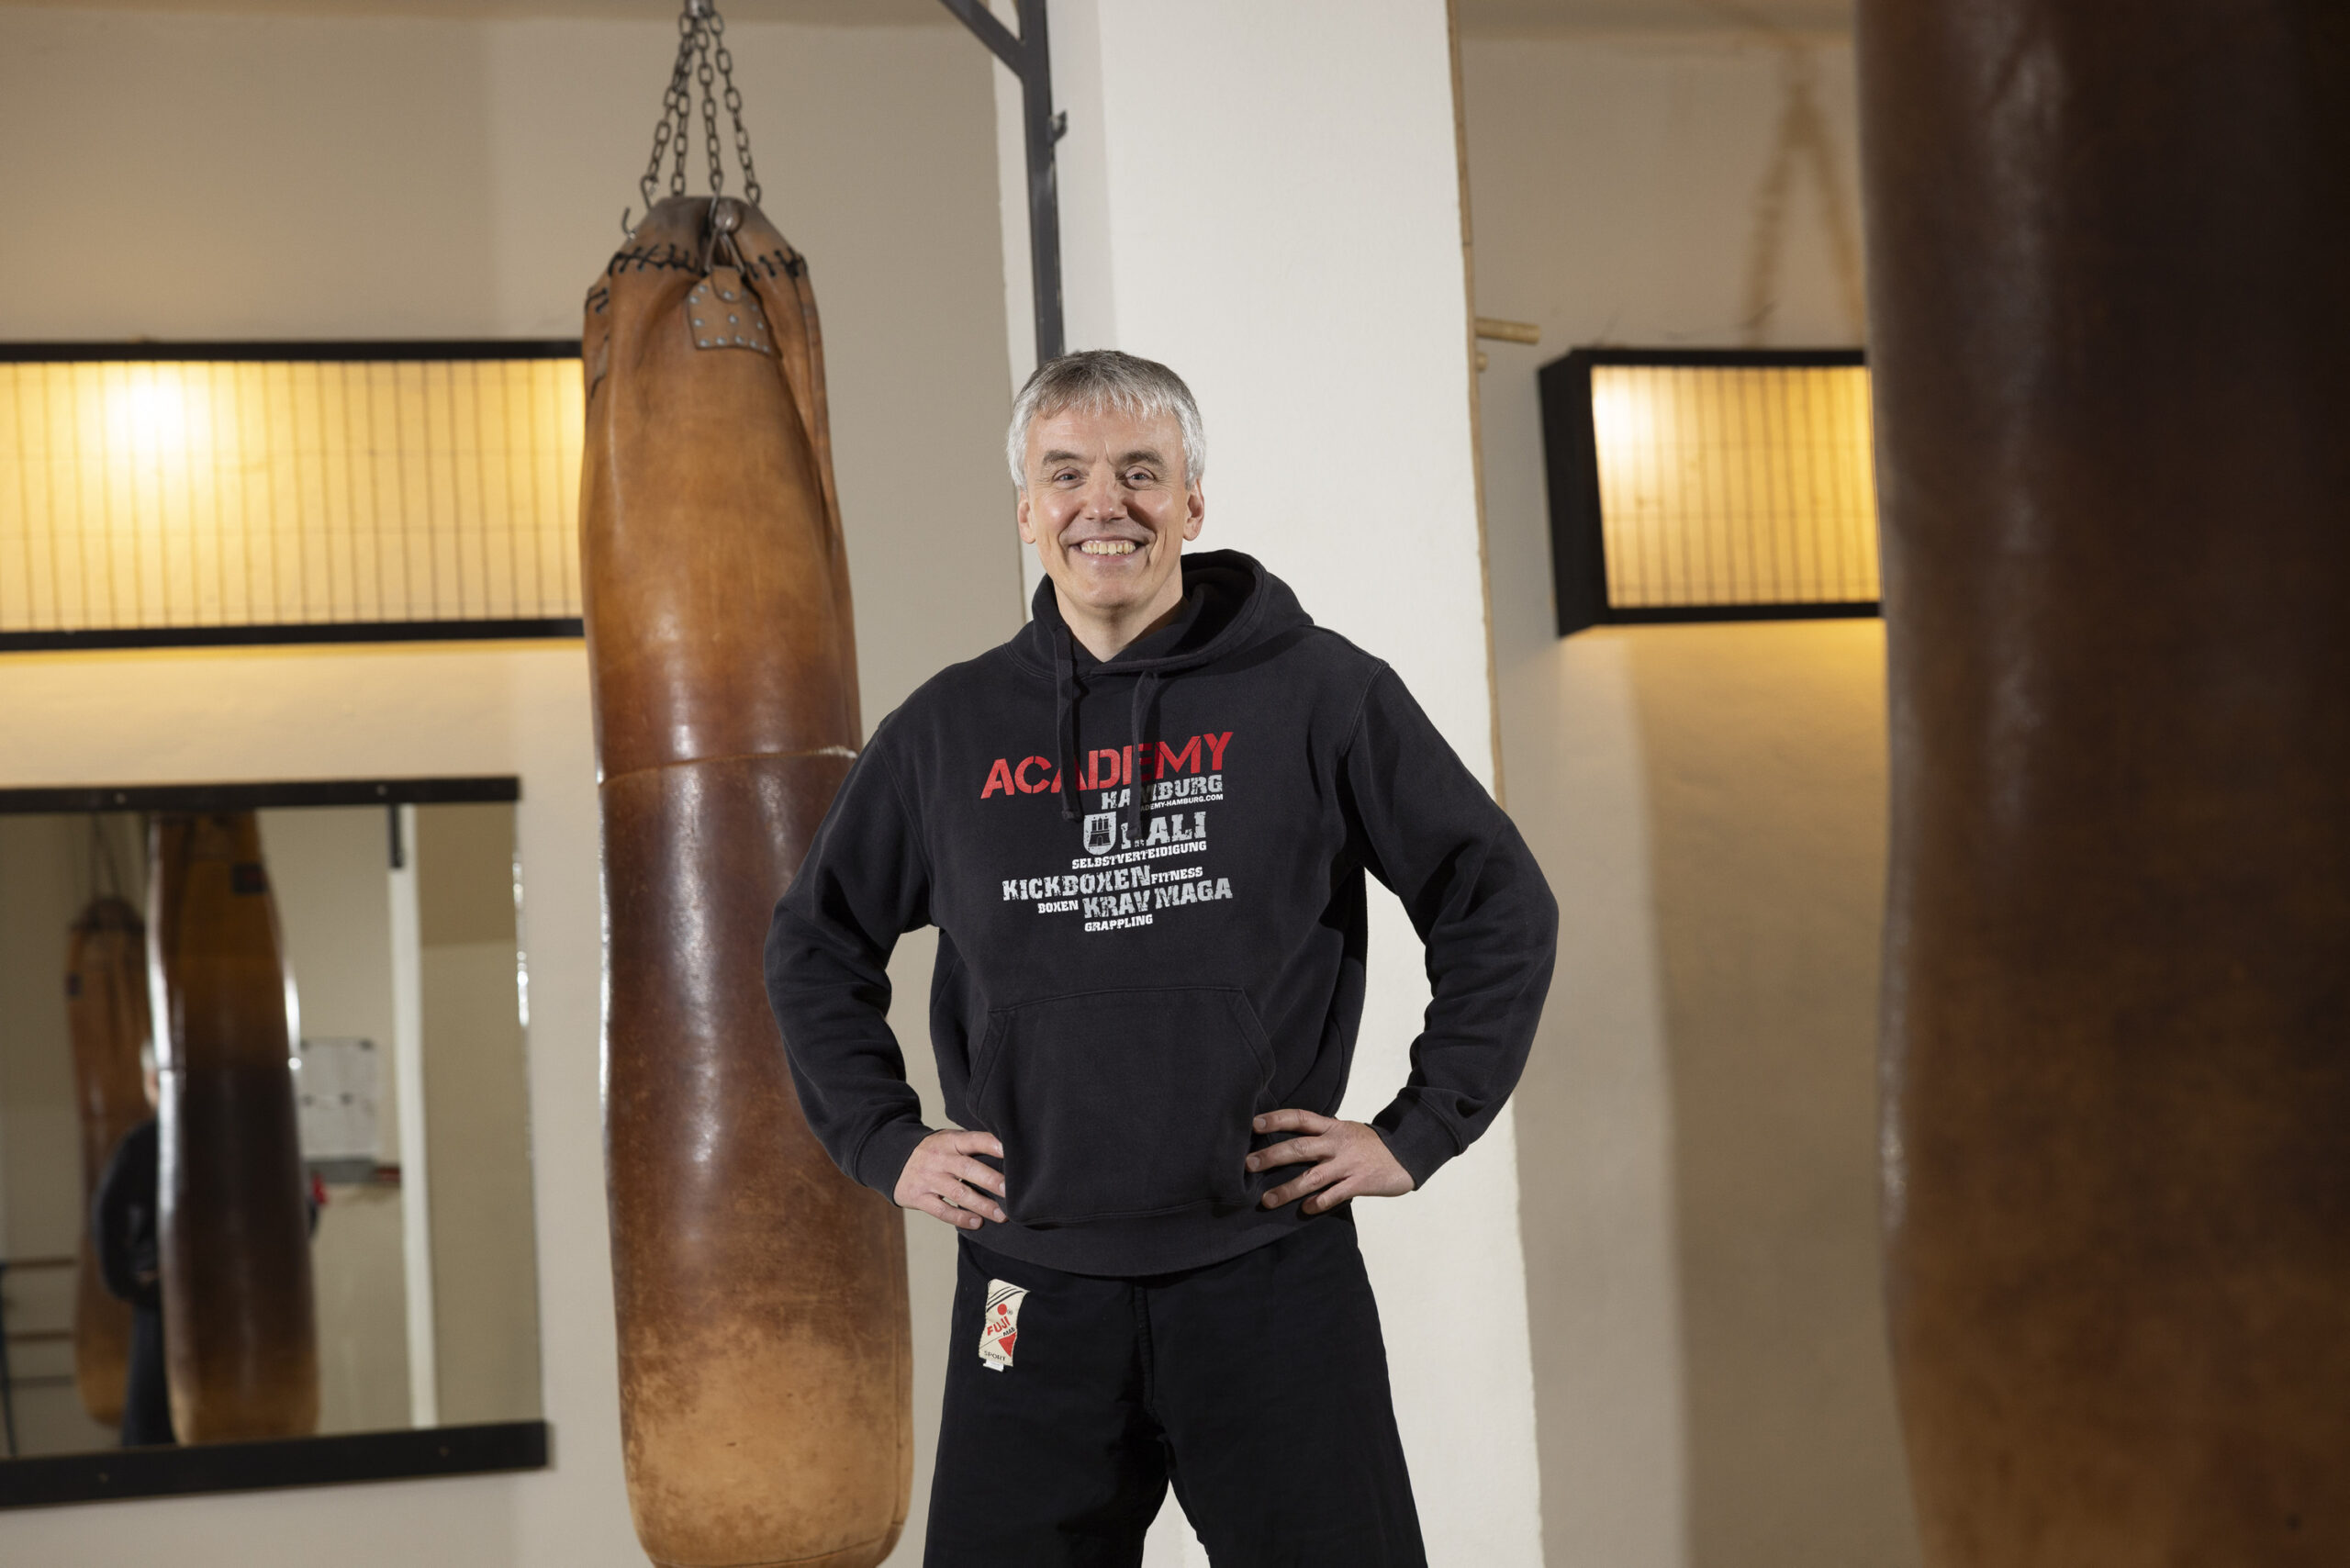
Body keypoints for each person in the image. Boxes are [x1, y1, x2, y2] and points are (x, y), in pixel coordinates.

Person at [765, 350, 1557, 1566]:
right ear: (1026, 510)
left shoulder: (1320, 693)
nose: (1105, 505)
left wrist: (1421, 1127)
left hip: (1268, 1268)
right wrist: (882, 1138)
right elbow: (816, 942)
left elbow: (1494, 898)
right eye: (1066, 474)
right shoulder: (945, 731)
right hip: (1030, 1283)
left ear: (1191, 501)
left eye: (1141, 473)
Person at [93, 1045, 173, 1448]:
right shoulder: (145, 1144)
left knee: (155, 1436)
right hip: (167, 1300)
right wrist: (128, 1284)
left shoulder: (146, 1142)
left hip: (165, 1298)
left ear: (153, 1080)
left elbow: (106, 1217)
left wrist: (128, 1284)